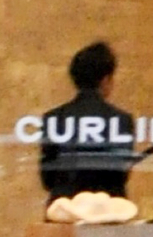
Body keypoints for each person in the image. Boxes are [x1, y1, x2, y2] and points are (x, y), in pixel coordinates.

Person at [39, 41, 138, 200]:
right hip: (109, 211)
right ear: (106, 79)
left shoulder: (54, 119)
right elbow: (121, 176)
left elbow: (47, 179)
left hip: (64, 211)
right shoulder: (121, 120)